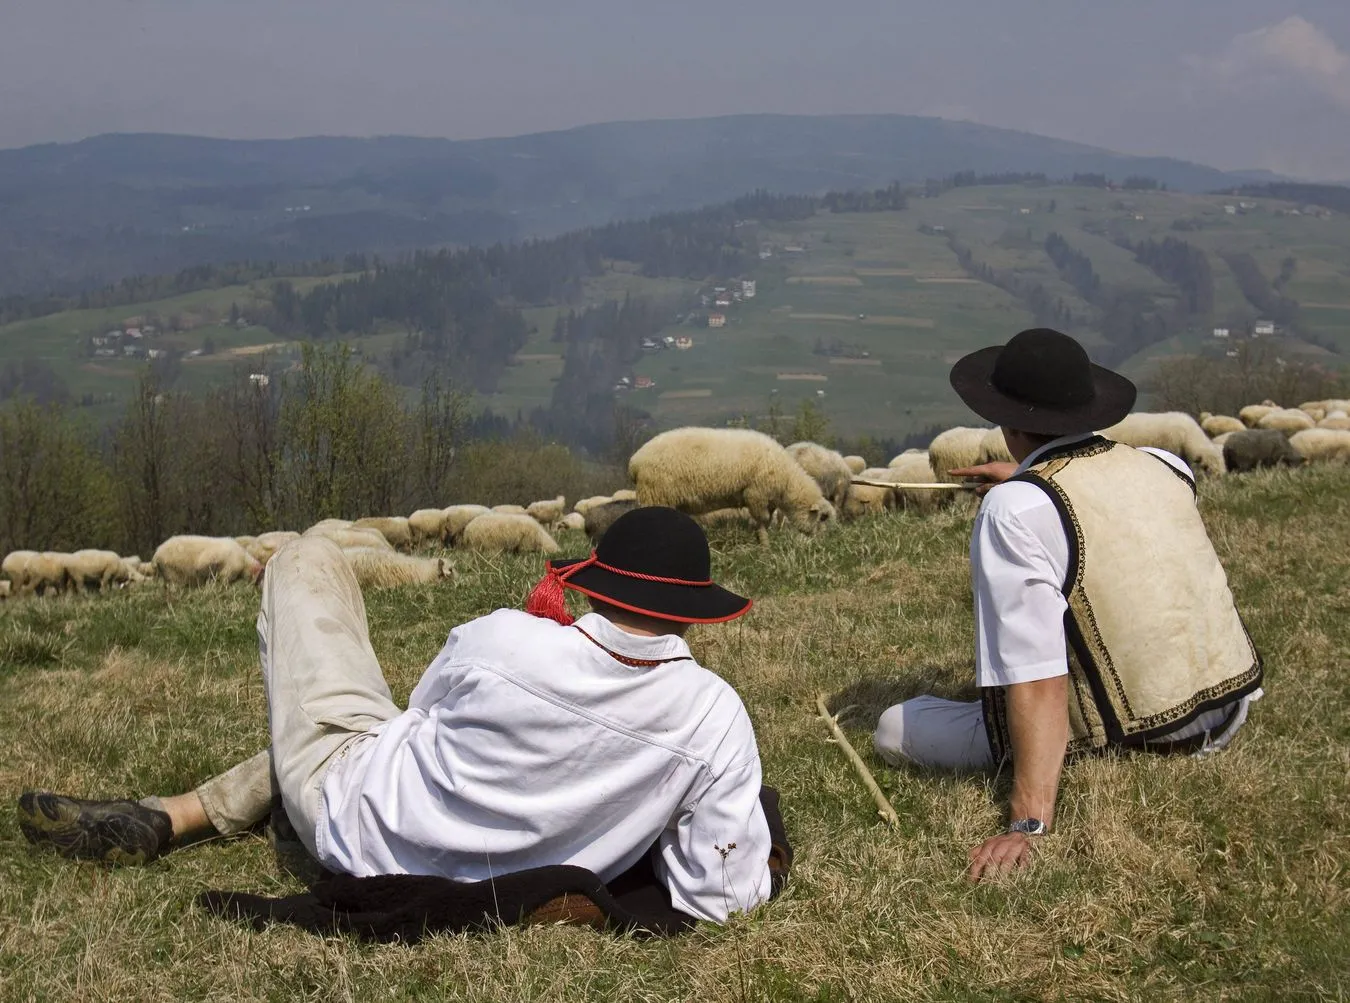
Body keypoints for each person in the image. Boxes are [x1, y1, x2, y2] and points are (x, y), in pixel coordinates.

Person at [20, 506, 773, 924]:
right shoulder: (716, 721)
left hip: (353, 824)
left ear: (594, 586)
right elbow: (721, 893)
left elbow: (414, 720)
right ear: (695, 616)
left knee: (308, 559)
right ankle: (176, 813)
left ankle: (175, 815)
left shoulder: (502, 642)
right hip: (494, 870)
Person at [873, 327, 1263, 883]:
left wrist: (1028, 822)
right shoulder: (1164, 464)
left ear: (1006, 423)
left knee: (896, 727)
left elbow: (1035, 674)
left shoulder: (1014, 511)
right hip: (1224, 708)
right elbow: (1106, 509)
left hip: (1139, 733)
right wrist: (1029, 479)